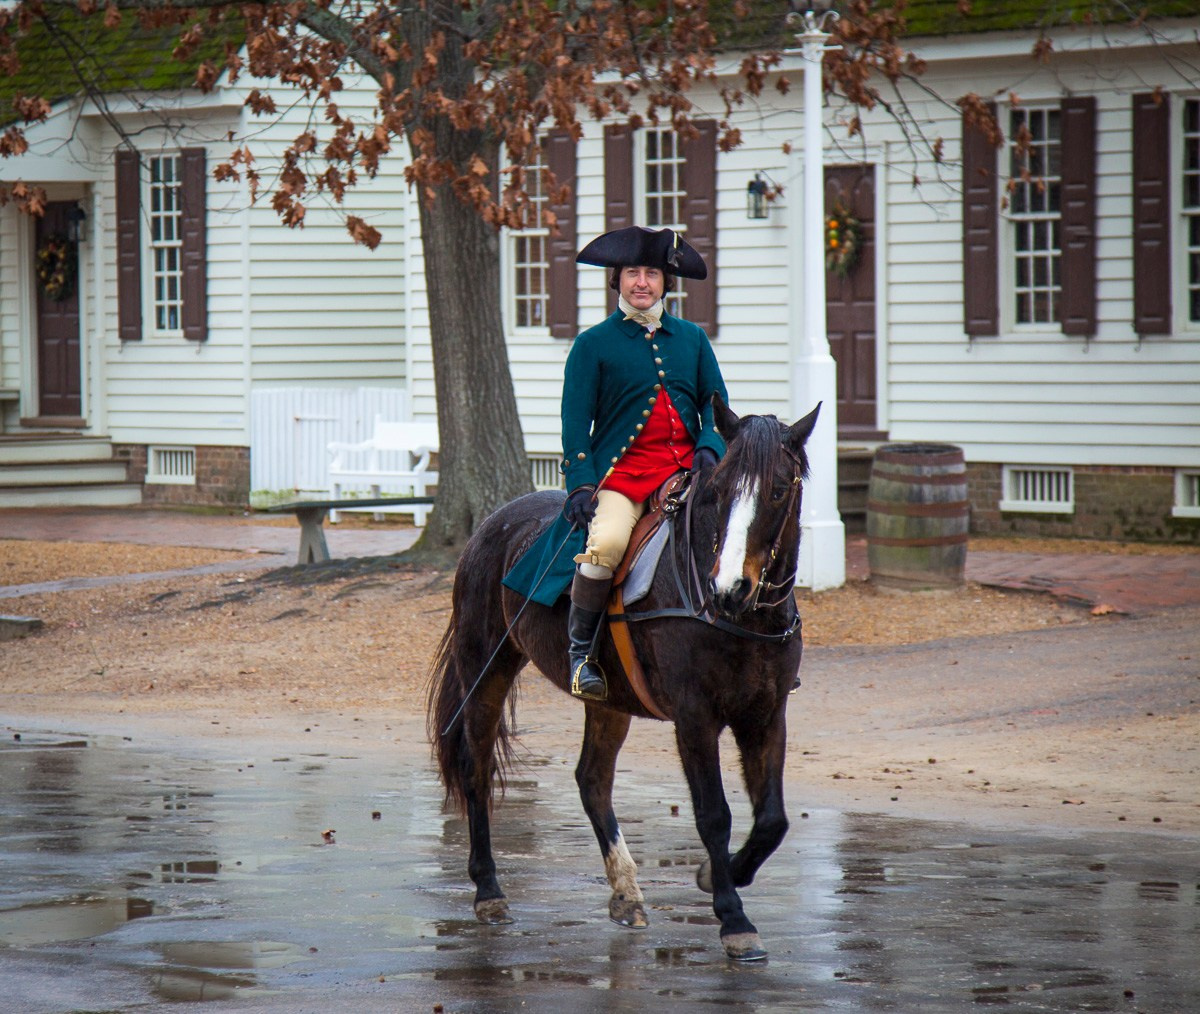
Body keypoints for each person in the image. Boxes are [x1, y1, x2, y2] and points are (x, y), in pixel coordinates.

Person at [502, 225, 729, 702]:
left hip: (683, 472)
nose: (641, 282)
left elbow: (714, 404)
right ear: (618, 281)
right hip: (621, 478)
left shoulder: (692, 338)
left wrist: (709, 444)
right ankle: (580, 654)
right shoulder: (593, 344)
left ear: (666, 283)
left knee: (736, 533)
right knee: (604, 544)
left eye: (651, 273)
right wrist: (582, 484)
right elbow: (573, 422)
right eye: (632, 273)